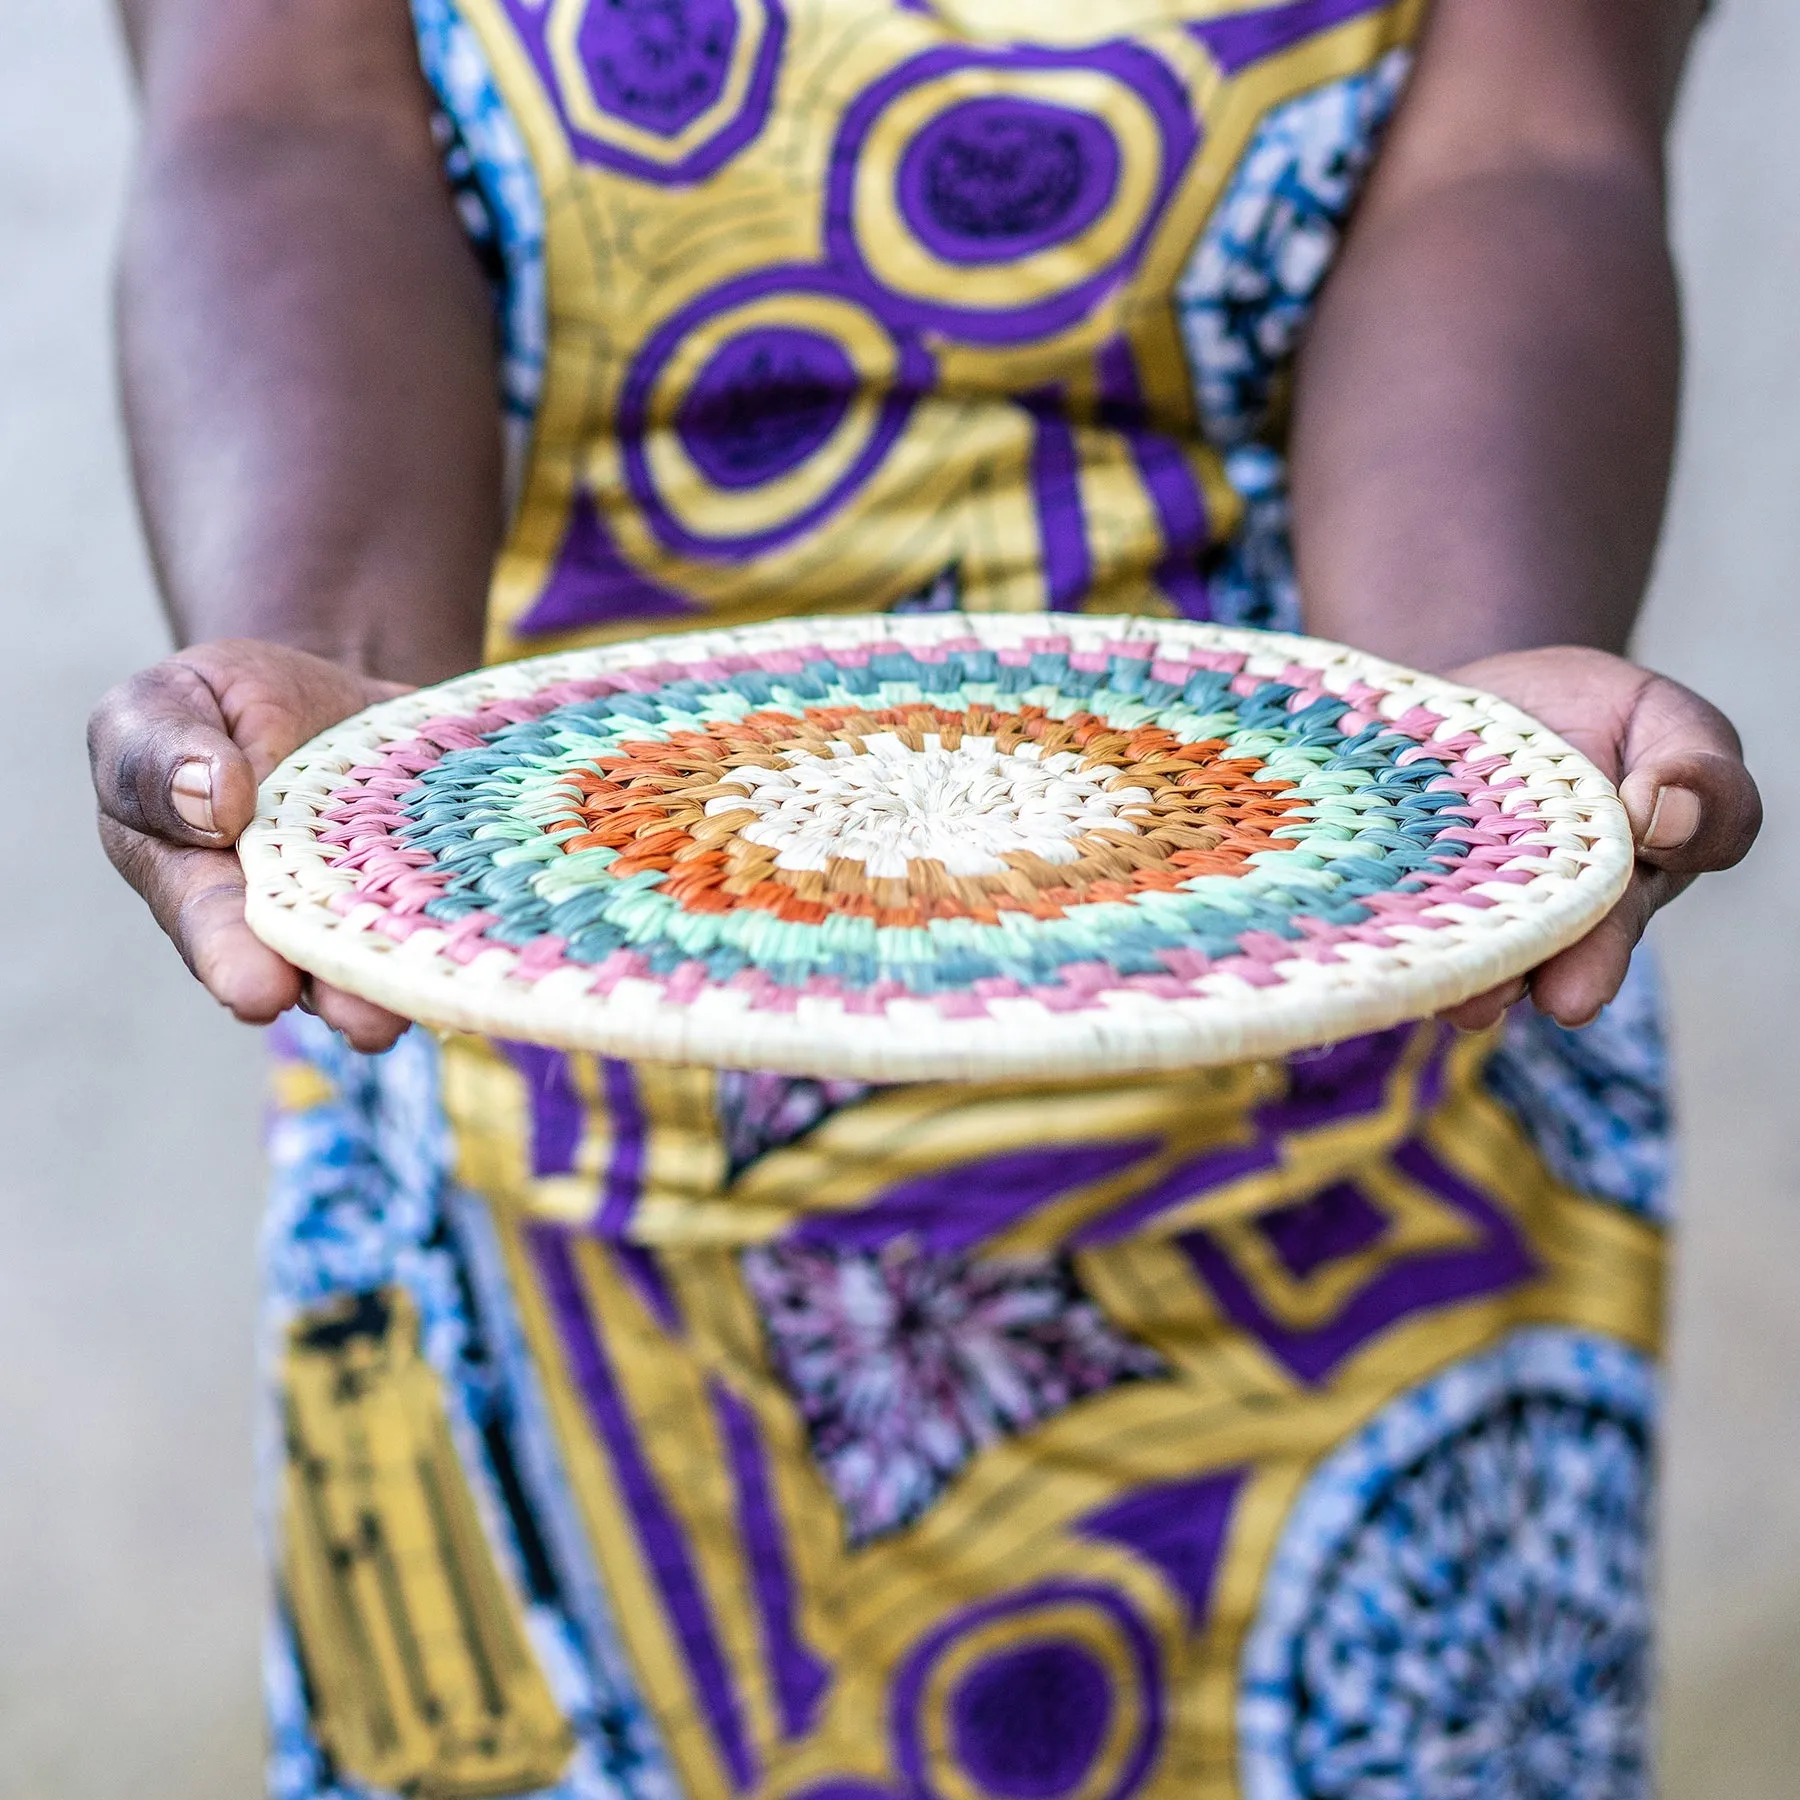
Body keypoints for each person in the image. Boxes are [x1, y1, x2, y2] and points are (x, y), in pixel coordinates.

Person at [89, 0, 1762, 1794]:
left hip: (1380, 1153)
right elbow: (293, 119)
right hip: (527, 1107)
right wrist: (336, 715)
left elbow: (1513, 145)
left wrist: (1454, 735)